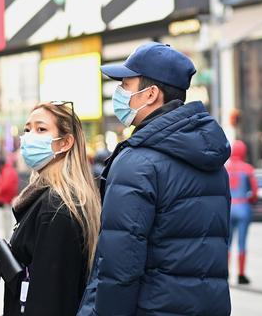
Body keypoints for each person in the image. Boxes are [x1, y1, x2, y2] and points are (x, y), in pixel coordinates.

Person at [78, 42, 231, 316]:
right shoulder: (212, 158)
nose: (119, 93)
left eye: (125, 84)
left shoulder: (137, 162)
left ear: (150, 94)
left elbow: (120, 266)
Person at [2, 102, 101, 315]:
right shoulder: (53, 198)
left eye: (41, 129)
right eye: (27, 129)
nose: (29, 137)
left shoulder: (56, 208)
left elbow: (49, 298)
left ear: (65, 143)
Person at [226, 139, 259, 285]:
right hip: (243, 207)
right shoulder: (248, 169)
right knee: (242, 242)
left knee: (226, 243)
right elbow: (255, 192)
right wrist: (250, 201)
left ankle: (225, 273)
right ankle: (241, 274)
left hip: (228, 208)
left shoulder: (224, 167)